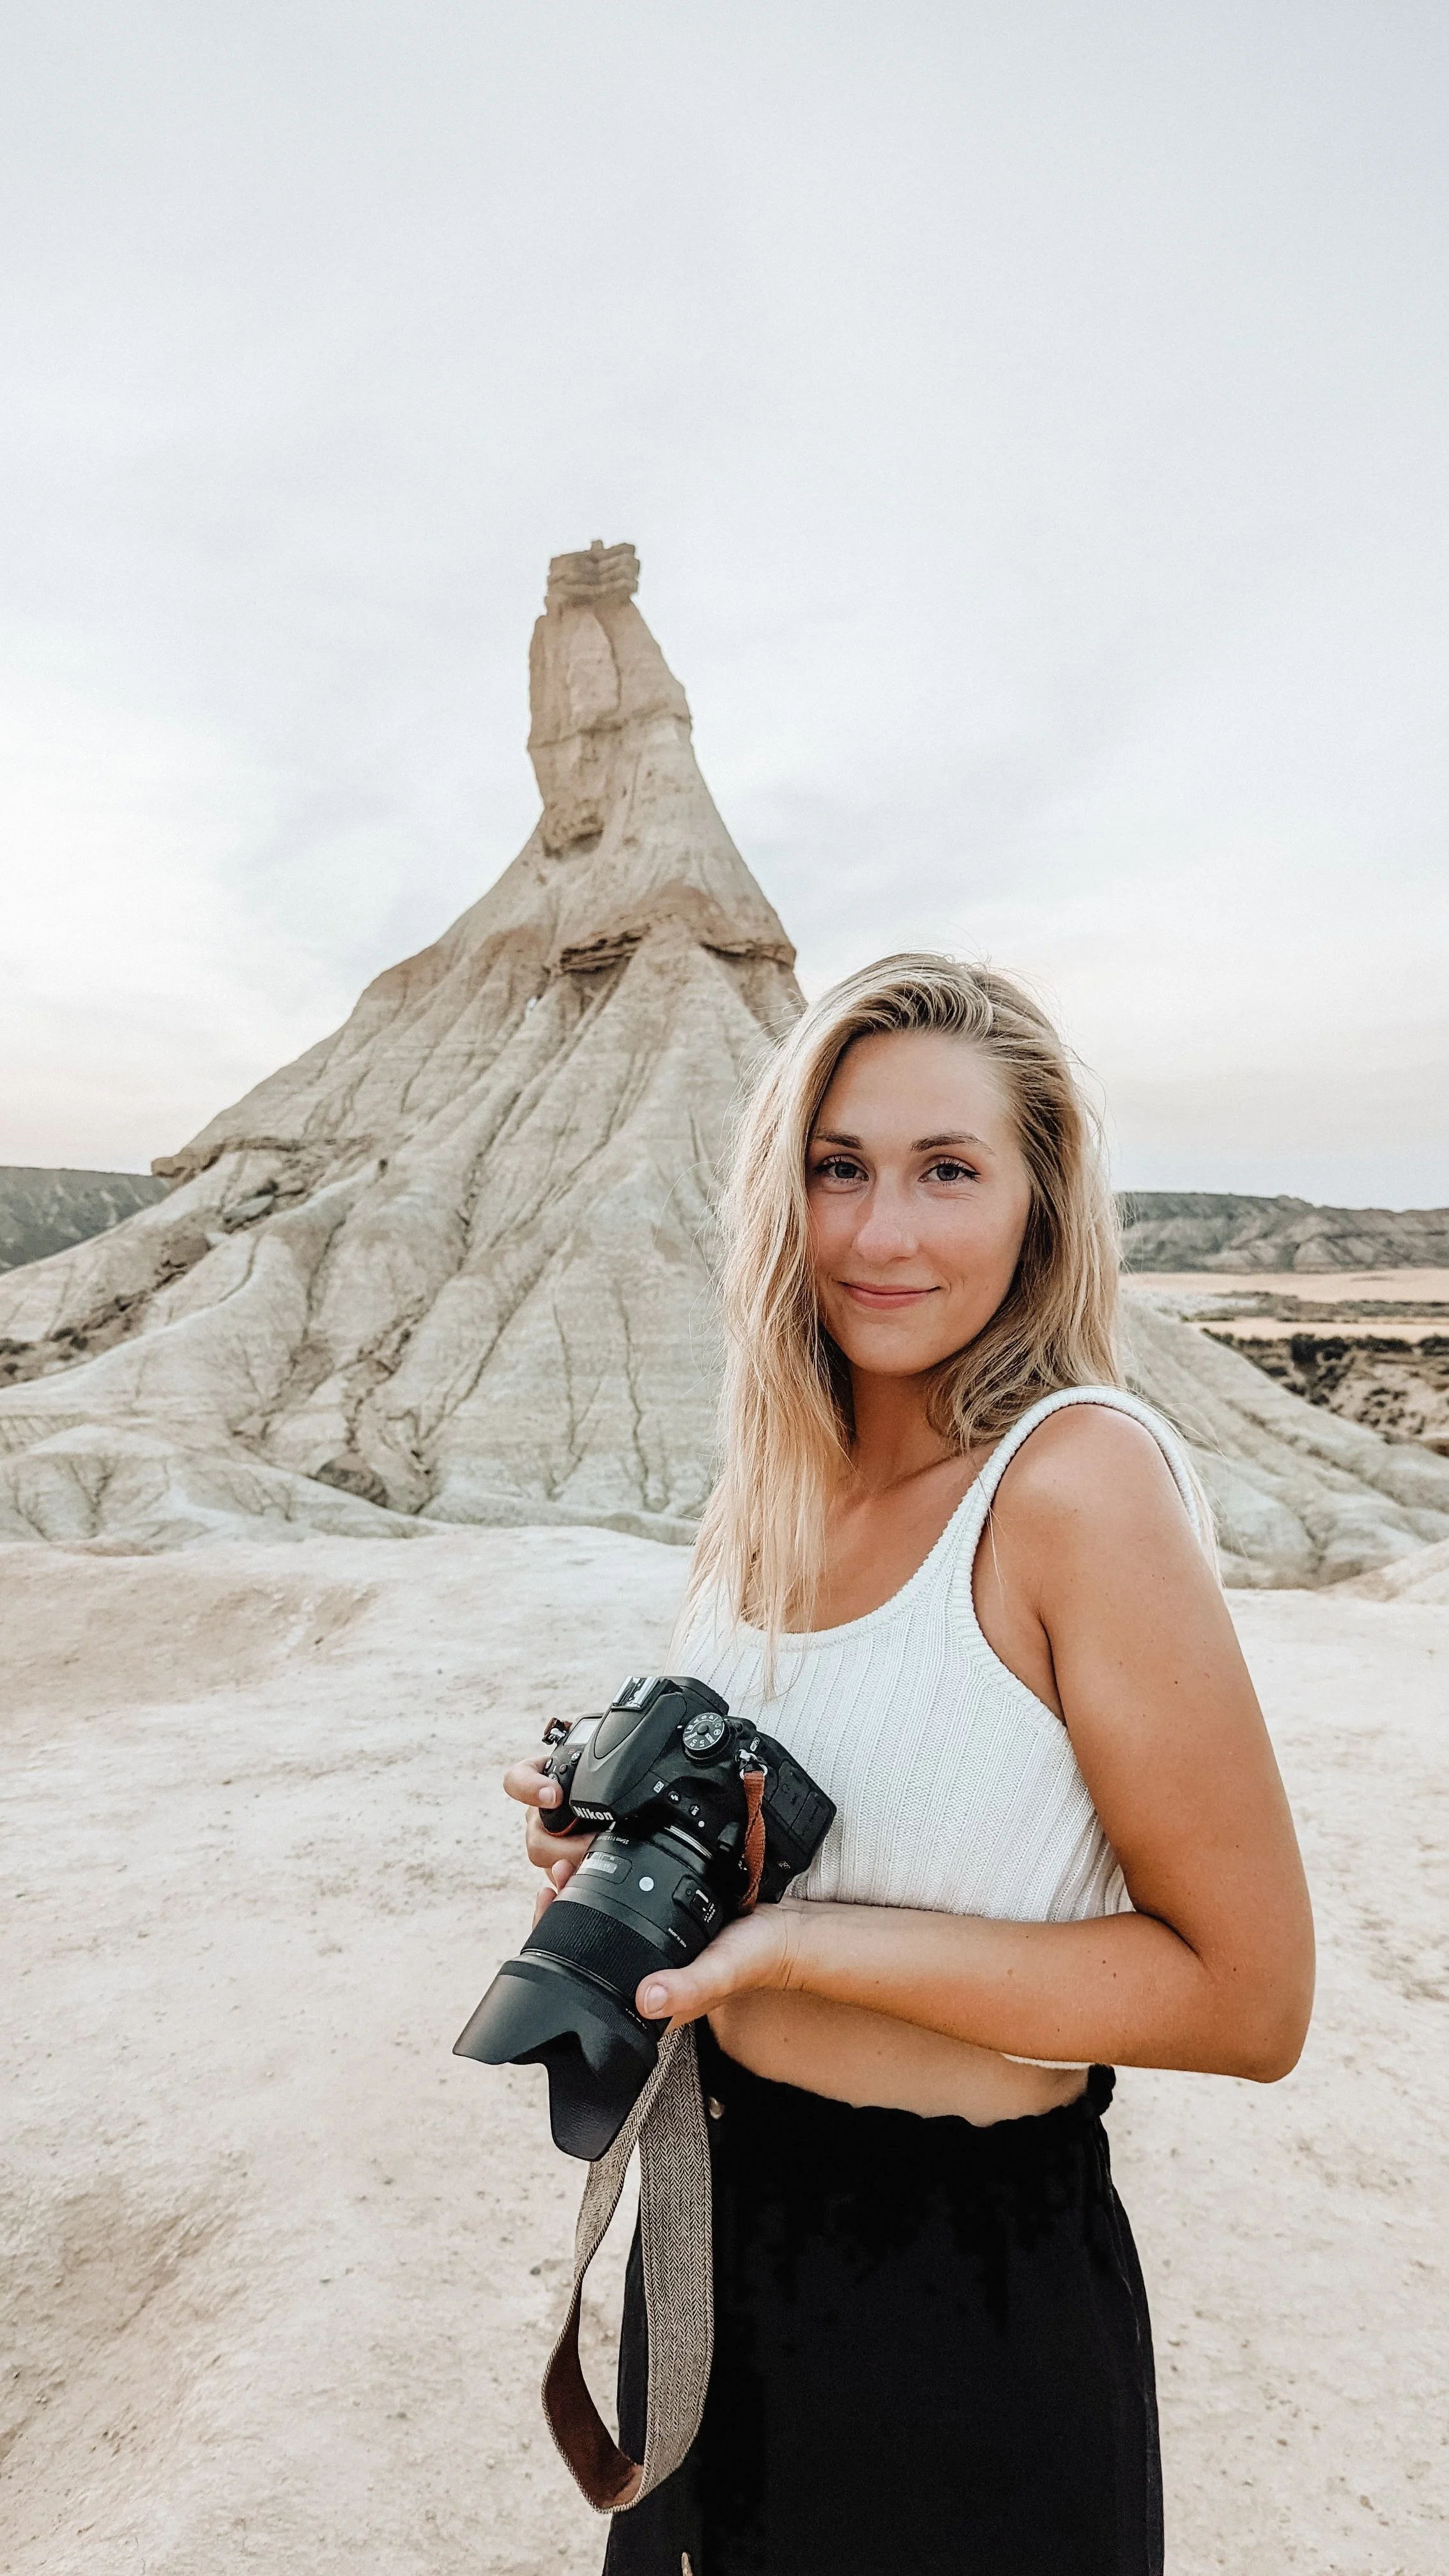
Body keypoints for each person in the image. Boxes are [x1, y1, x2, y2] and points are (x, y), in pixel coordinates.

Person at [506, 954, 1314, 2576]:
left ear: (1039, 1204)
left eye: (950, 1171)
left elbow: (1250, 2000)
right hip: (717, 2236)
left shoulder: (1076, 1484)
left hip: (957, 2298)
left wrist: (805, 1947)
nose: (885, 1234)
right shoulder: (768, 1505)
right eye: (840, 1168)